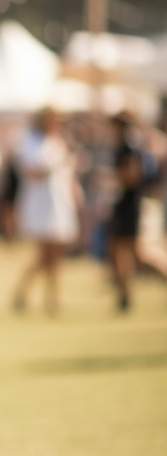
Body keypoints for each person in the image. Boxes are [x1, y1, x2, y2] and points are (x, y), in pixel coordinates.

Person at [11, 108, 80, 314]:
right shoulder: (31, 141)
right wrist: (51, 166)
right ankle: (27, 292)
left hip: (59, 202)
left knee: (56, 254)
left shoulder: (60, 141)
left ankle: (51, 296)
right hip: (40, 204)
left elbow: (68, 173)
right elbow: (30, 171)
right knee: (44, 253)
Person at [107, 112, 144, 311]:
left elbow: (132, 177)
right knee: (122, 250)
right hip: (124, 204)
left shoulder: (128, 148)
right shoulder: (124, 147)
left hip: (128, 204)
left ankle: (125, 294)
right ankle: (124, 294)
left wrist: (112, 179)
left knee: (131, 250)